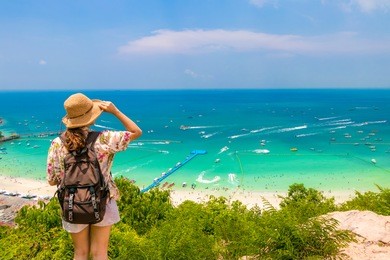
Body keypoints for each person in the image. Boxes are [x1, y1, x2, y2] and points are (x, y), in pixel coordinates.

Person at [47, 93, 142, 260]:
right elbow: (136, 131)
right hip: (103, 199)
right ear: (91, 117)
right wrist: (115, 111)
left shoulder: (57, 143)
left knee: (80, 253)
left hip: (72, 203)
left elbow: (52, 180)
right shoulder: (103, 139)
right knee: (99, 253)